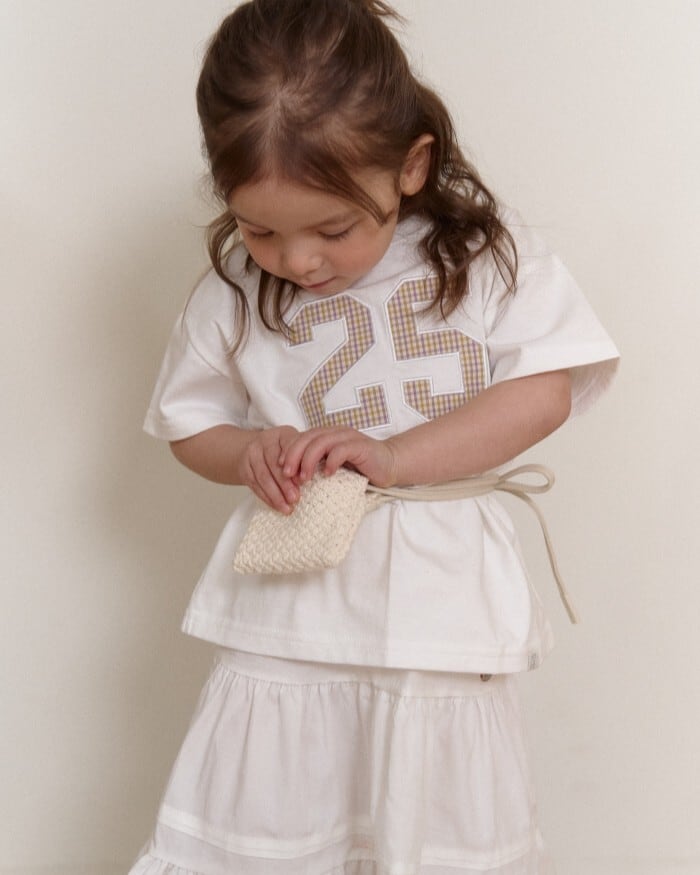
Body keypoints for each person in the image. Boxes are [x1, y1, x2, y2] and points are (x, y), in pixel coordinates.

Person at [129, 1, 619, 873]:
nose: (298, 261)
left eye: (333, 229)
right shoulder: (236, 291)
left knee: (428, 828)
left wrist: (396, 457)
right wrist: (247, 452)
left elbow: (544, 390)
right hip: (292, 612)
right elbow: (188, 423)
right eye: (260, 228)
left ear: (410, 166)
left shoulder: (486, 259)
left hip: (438, 607)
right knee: (271, 819)